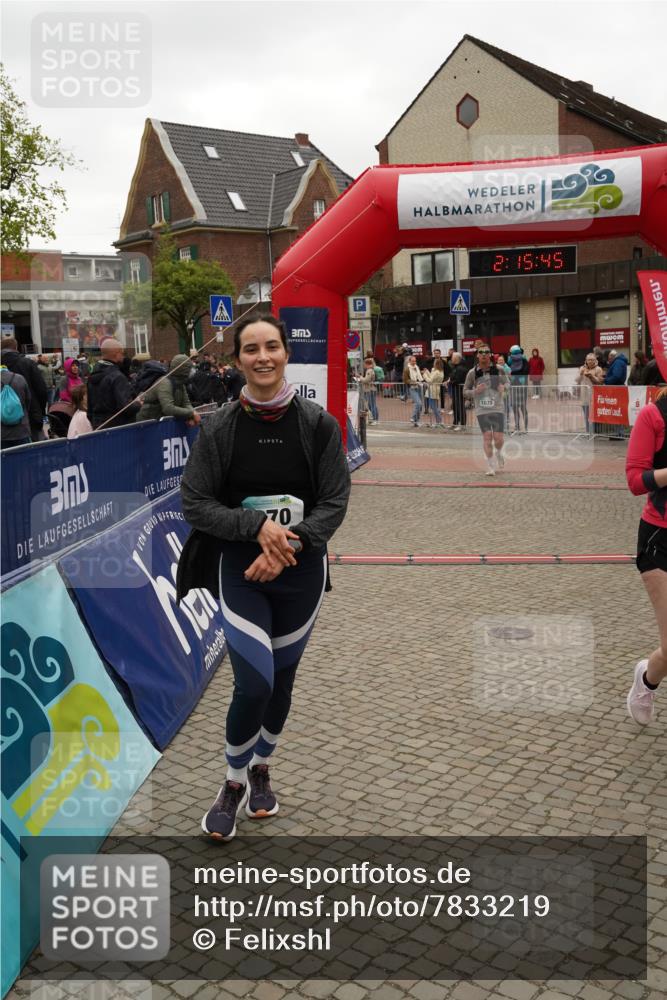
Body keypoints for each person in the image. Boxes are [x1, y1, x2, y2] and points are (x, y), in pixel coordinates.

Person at [177, 315, 350, 840]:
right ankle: (232, 782)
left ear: (284, 354)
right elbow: (195, 502)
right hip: (242, 571)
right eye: (250, 349)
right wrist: (257, 528)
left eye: (271, 346)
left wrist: (285, 545)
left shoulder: (319, 425)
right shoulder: (221, 427)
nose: (263, 357)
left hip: (299, 573)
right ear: (237, 361)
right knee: (254, 681)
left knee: (283, 682)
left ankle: (261, 767)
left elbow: (334, 503)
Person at [625, 385, 667, 725]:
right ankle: (646, 680)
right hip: (659, 539)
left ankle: (648, 677)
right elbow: (635, 480)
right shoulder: (654, 416)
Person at [463, 344, 508, 475]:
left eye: (486, 352)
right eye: (481, 352)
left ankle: (499, 453)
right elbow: (465, 391)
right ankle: (490, 466)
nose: (483, 354)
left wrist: (504, 388)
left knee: (498, 439)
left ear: (490, 355)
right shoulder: (472, 373)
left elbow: (508, 383)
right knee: (487, 437)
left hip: (497, 407)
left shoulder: (499, 369)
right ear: (477, 355)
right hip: (482, 409)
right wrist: (475, 391)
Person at [87, 338, 142, 428]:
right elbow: (126, 408)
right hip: (119, 430)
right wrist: (139, 404)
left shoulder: (92, 376)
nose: (123, 357)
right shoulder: (117, 377)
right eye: (122, 353)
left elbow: (89, 410)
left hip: (98, 427)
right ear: (116, 354)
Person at [0, 337, 47, 441]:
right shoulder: (27, 363)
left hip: (2, 421)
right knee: (34, 451)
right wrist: (40, 411)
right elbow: (41, 390)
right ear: (16, 347)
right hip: (29, 418)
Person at [136, 354, 201, 425]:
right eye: (189, 369)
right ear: (183, 370)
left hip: (160, 423)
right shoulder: (164, 383)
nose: (190, 372)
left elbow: (186, 403)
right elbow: (168, 408)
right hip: (147, 424)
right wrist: (191, 413)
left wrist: (192, 416)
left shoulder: (181, 384)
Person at [1, 364, 32, 449]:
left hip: (2, 433)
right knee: (24, 459)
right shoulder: (20, 378)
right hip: (21, 429)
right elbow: (28, 400)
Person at [575, 353, 604, 435]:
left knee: (594, 415)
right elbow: (576, 380)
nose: (590, 361)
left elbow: (600, 382)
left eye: (592, 360)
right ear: (586, 360)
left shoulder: (598, 369)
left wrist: (592, 376)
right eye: (588, 360)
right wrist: (580, 374)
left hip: (594, 396)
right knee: (586, 415)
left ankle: (595, 432)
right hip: (584, 396)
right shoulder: (582, 368)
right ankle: (588, 432)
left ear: (595, 360)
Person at [507, 345, 529, 434]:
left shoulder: (509, 360)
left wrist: (513, 375)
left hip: (513, 385)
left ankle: (517, 427)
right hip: (522, 386)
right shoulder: (524, 360)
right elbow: (527, 371)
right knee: (523, 407)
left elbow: (508, 371)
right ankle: (525, 428)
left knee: (515, 407)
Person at [403, 353, 425, 427]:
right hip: (412, 388)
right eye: (412, 361)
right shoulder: (407, 369)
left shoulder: (417, 367)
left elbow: (419, 377)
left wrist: (422, 374)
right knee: (418, 403)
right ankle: (413, 417)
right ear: (409, 361)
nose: (414, 362)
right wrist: (414, 382)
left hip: (419, 387)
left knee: (420, 405)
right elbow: (405, 380)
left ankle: (417, 421)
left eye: (415, 361)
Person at [356, 356, 379, 423]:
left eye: (364, 364)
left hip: (370, 389)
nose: (364, 365)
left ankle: (375, 419)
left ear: (367, 364)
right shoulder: (370, 370)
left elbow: (366, 380)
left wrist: (360, 377)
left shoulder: (369, 370)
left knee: (372, 405)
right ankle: (374, 419)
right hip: (370, 389)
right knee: (371, 405)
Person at [423, 358, 444, 427]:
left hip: (432, 389)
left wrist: (424, 375)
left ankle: (439, 421)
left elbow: (430, 380)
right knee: (434, 406)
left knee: (433, 406)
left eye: (434, 363)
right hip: (434, 389)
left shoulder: (437, 372)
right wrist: (427, 372)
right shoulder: (440, 371)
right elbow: (432, 377)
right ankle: (439, 421)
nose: (433, 364)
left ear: (436, 364)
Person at [449, 352, 468, 430]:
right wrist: (450, 381)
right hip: (456, 390)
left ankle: (463, 425)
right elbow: (453, 377)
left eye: (452, 357)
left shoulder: (460, 368)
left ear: (456, 359)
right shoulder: (456, 367)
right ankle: (455, 423)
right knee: (455, 407)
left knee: (460, 407)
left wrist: (451, 382)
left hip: (459, 390)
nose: (451, 359)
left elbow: (458, 380)